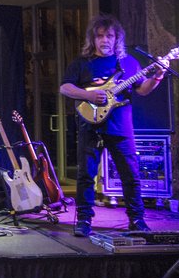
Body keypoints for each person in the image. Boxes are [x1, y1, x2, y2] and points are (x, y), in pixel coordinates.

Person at [60, 13, 166, 237]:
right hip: (90, 125)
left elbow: (142, 90)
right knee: (86, 175)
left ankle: (136, 219)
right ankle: (84, 220)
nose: (105, 40)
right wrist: (88, 95)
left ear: (117, 38)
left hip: (121, 126)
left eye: (109, 36)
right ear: (93, 39)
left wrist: (157, 76)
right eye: (100, 36)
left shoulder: (128, 63)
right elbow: (65, 88)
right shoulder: (82, 63)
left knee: (130, 174)